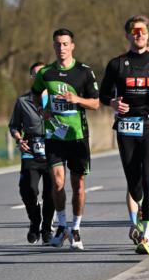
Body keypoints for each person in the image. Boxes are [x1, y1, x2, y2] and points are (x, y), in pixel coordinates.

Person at [99, 15, 149, 255]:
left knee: (148, 177)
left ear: (148, 34)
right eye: (135, 32)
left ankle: (147, 232)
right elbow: (103, 95)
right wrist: (113, 103)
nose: (139, 35)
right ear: (128, 35)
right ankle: (144, 210)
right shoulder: (117, 64)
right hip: (126, 126)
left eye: (143, 31)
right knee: (134, 183)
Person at [31, 29, 100, 250]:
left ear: (72, 46)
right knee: (58, 182)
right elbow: (34, 94)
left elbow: (96, 104)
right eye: (57, 44)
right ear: (53, 47)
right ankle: (62, 227)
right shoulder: (46, 73)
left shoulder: (83, 72)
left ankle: (76, 227)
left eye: (65, 44)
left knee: (78, 185)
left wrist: (76, 99)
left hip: (77, 136)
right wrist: (44, 111)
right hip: (54, 135)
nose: (61, 48)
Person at [8, 61, 54, 244]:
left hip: (53, 151)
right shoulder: (22, 101)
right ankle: (35, 221)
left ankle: (47, 229)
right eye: (36, 75)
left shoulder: (55, 99)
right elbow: (14, 126)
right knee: (28, 190)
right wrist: (19, 139)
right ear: (32, 78)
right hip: (31, 152)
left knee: (51, 193)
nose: (40, 78)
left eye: (43, 74)